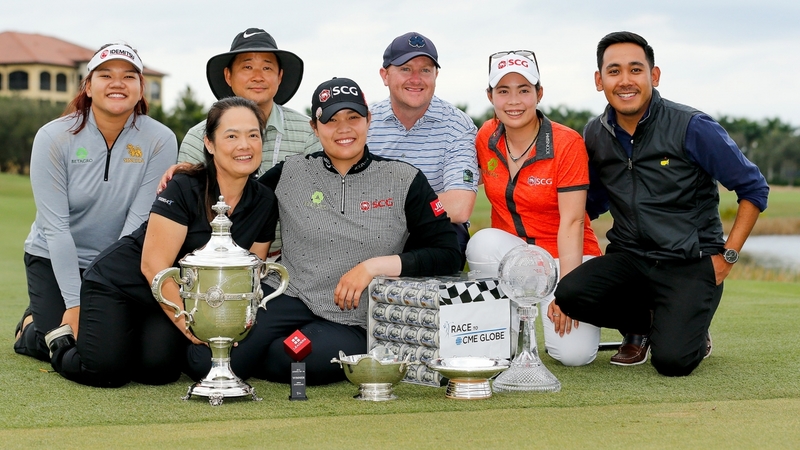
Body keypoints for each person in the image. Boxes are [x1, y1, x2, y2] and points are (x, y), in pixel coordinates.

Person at [185, 77, 463, 386]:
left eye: (353, 118)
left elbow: (448, 253)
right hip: (288, 294)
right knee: (205, 361)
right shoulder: (291, 172)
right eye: (331, 120)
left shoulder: (404, 179)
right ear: (314, 128)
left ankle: (264, 355)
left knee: (295, 358)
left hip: (353, 315)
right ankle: (254, 354)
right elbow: (237, 196)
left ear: (368, 120)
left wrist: (373, 266)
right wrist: (195, 175)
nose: (343, 128)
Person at [554, 31, 769, 376]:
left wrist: (726, 257)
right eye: (614, 71)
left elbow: (754, 189)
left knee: (673, 362)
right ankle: (642, 323)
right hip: (630, 258)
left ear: (653, 76)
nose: (625, 81)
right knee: (570, 293)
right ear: (599, 80)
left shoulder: (692, 126)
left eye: (636, 70)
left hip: (690, 260)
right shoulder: (594, 133)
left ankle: (688, 327)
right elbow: (591, 202)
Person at [45, 97, 278, 387]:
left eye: (253, 135)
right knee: (106, 372)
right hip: (119, 283)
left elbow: (250, 272)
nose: (244, 145)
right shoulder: (184, 186)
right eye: (231, 136)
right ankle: (57, 342)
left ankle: (120, 340)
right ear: (209, 143)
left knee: (159, 372)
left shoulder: (265, 201)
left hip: (164, 298)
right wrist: (191, 325)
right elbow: (153, 265)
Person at [15, 43, 178, 362]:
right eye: (106, 75)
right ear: (88, 86)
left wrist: (103, 286)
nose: (118, 82)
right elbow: (57, 229)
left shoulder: (159, 139)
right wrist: (76, 304)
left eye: (128, 76)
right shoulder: (54, 136)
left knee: (129, 347)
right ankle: (32, 328)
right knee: (71, 345)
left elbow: (137, 223)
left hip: (117, 259)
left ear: (140, 88)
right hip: (52, 257)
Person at [465, 50, 603, 366]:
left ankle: (558, 309)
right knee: (482, 243)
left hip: (566, 257)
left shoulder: (566, 142)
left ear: (539, 94)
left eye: (524, 90)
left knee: (575, 356)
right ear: (491, 96)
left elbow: (572, 222)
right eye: (503, 91)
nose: (514, 101)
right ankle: (506, 336)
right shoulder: (486, 135)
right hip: (516, 257)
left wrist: (568, 293)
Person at [175, 27, 321, 259]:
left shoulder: (309, 132)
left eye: (267, 67)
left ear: (280, 76)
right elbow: (185, 209)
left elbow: (318, 201)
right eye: (247, 67)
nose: (258, 76)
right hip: (210, 258)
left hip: (293, 260)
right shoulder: (198, 136)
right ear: (228, 76)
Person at [368, 32, 478, 259]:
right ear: (385, 75)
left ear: (436, 75)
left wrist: (381, 207)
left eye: (425, 70)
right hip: (373, 231)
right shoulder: (364, 122)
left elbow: (458, 206)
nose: (416, 78)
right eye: (406, 69)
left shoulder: (458, 124)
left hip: (434, 229)